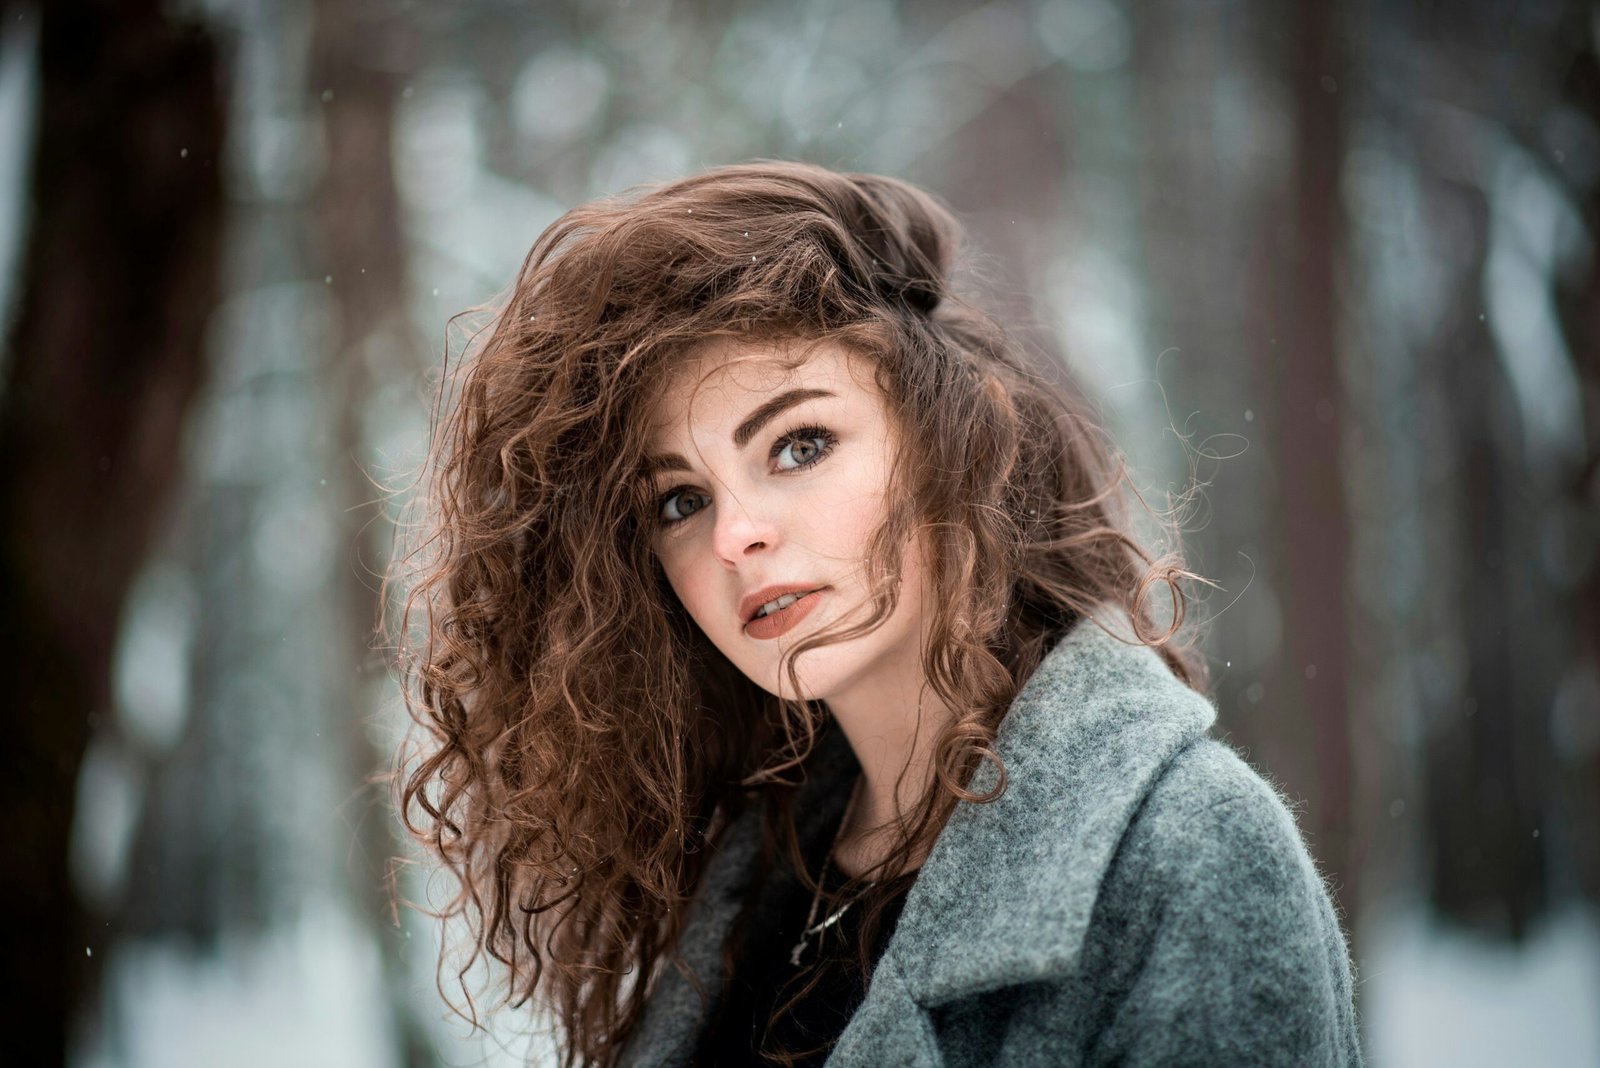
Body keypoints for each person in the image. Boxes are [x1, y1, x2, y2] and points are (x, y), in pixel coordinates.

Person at [395, 160, 1362, 1067]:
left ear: (954, 436)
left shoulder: (1187, 850)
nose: (735, 535)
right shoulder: (751, 860)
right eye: (681, 501)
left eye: (799, 444)